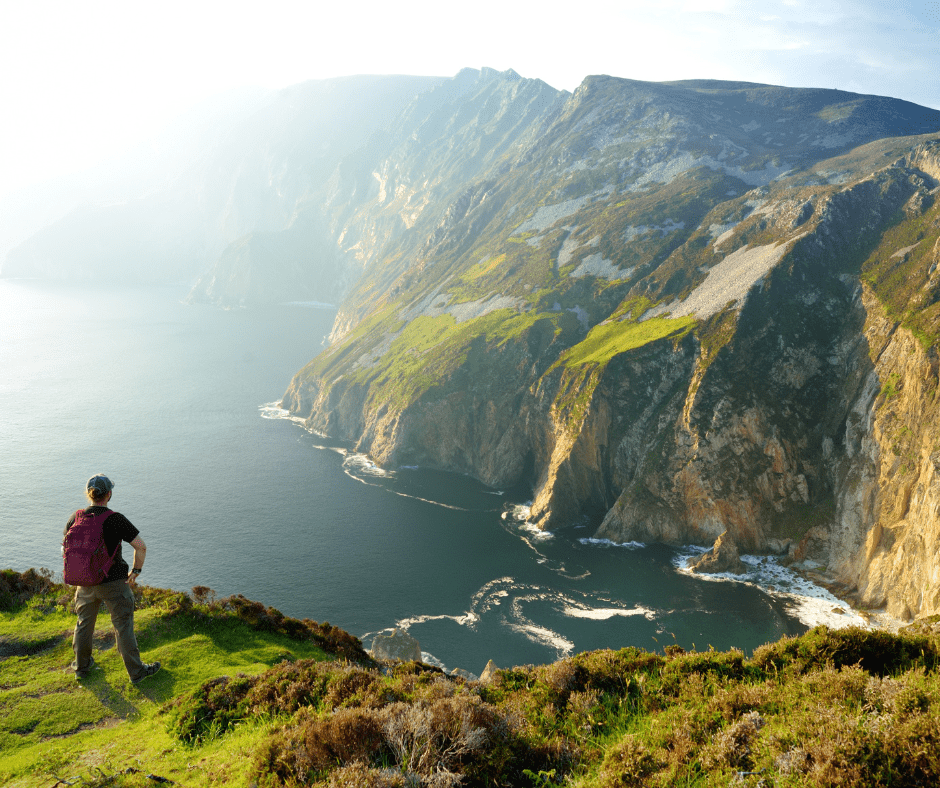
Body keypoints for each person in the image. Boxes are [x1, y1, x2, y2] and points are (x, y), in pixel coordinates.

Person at [65, 474, 161, 684]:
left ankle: (81, 668)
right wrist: (136, 571)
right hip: (114, 582)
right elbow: (140, 546)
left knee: (84, 624)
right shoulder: (115, 518)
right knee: (123, 625)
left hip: (85, 583)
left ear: (88, 493)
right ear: (109, 494)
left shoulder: (76, 517)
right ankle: (137, 673)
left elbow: (66, 547)